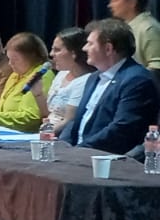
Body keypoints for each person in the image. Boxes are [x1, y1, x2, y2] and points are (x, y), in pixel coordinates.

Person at [57, 19, 160, 155]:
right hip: (80, 154)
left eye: (90, 43)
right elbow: (78, 120)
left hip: (108, 159)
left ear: (108, 48)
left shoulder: (137, 80)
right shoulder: (93, 77)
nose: (84, 48)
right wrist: (62, 146)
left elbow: (122, 129)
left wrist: (79, 150)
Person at [0, 33, 54, 132]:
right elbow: (4, 110)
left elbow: (31, 117)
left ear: (32, 57)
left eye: (15, 60)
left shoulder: (41, 75)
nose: (10, 64)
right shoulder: (15, 75)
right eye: (9, 59)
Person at [45, 27, 94, 134]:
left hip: (61, 137)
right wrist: (37, 93)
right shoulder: (61, 74)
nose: (51, 54)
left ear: (74, 53)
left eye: (57, 50)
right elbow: (48, 113)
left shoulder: (85, 80)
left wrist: (43, 134)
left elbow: (69, 121)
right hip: (47, 132)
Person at [109, 0, 160, 74]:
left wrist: (134, 82)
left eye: (115, 0)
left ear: (132, 2)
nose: (110, 5)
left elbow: (156, 66)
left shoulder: (148, 28)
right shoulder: (127, 27)